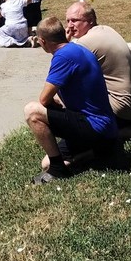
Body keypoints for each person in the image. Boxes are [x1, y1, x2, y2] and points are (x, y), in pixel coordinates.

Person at [23, 16, 120, 183]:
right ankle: (100, 151)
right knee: (45, 163)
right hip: (103, 125)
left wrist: (54, 106)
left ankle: (58, 170)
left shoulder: (63, 57)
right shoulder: (76, 49)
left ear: (42, 41)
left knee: (32, 111)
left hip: (94, 125)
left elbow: (44, 99)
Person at [64, 1, 131, 136]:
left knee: (68, 89)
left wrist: (64, 43)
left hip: (122, 112)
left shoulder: (86, 42)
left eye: (74, 21)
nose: (69, 26)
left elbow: (61, 70)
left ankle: (124, 132)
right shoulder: (106, 29)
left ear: (90, 20)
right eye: (67, 21)